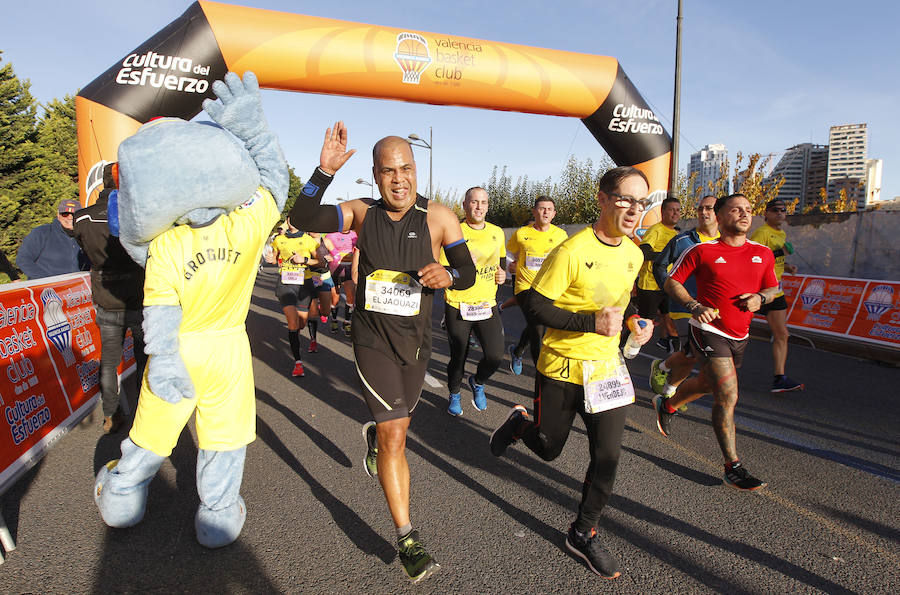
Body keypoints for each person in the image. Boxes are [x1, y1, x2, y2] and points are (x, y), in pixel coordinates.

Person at [289, 124, 475, 582]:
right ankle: (408, 537)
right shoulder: (360, 212)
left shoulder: (441, 218)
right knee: (397, 436)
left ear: (416, 171)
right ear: (375, 175)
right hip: (371, 340)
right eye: (388, 171)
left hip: (415, 344)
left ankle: (377, 434)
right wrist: (322, 172)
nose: (399, 179)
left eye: (406, 168)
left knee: (399, 423)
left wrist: (448, 276)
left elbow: (468, 272)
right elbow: (305, 217)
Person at [489, 167, 653, 579]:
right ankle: (520, 425)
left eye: (641, 202)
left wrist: (634, 321)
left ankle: (582, 532)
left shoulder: (634, 253)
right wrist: (589, 324)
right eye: (625, 200)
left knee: (608, 456)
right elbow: (533, 306)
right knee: (548, 448)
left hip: (605, 369)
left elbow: (621, 302)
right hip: (561, 367)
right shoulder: (572, 251)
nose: (634, 210)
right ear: (602, 199)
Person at [656, 193, 779, 491]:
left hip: (741, 334)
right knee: (728, 395)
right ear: (720, 217)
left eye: (748, 210)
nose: (744, 214)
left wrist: (760, 298)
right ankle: (732, 467)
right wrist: (695, 306)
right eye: (736, 209)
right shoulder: (703, 251)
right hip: (708, 328)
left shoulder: (763, 253)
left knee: (708, 384)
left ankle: (668, 405)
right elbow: (672, 280)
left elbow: (773, 287)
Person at [72, 163, 147, 433]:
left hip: (104, 296)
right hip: (137, 296)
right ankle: (143, 414)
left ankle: (110, 416)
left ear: (102, 183)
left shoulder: (82, 218)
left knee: (109, 361)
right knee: (144, 358)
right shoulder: (134, 214)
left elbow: (82, 245)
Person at [440, 186, 507, 416]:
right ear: (465, 204)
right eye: (474, 202)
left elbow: (501, 263)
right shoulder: (453, 231)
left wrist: (503, 274)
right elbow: (443, 268)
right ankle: (455, 394)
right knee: (459, 355)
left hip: (486, 304)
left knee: (496, 355)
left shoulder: (497, 232)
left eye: (484, 202)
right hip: (458, 304)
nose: (479, 207)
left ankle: (477, 381)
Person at [648, 195, 719, 400]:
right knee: (695, 352)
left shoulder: (725, 241)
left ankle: (663, 369)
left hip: (712, 308)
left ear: (719, 213)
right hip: (683, 305)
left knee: (690, 354)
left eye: (710, 209)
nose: (704, 213)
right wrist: (669, 287)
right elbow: (659, 265)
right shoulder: (683, 240)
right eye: (700, 209)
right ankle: (670, 396)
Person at [505, 197, 568, 374]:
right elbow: (509, 252)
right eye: (542, 208)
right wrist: (512, 265)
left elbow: (566, 259)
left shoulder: (560, 236)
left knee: (536, 324)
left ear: (554, 213)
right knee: (538, 328)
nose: (546, 212)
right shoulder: (522, 233)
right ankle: (541, 373)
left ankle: (517, 351)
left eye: (549, 209)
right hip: (525, 287)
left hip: (548, 288)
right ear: (534, 212)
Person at [750, 199, 804, 393]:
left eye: (783, 210)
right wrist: (780, 252)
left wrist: (787, 267)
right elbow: (752, 258)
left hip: (775, 291)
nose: (780, 213)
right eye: (775, 210)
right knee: (737, 334)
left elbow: (774, 262)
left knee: (782, 334)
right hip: (755, 290)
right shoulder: (761, 233)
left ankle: (779, 378)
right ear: (767, 214)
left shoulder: (782, 234)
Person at [264, 219, 321, 377]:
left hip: (305, 285)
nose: (292, 221)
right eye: (290, 218)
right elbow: (274, 258)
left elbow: (320, 261)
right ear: (287, 221)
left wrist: (304, 260)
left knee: (301, 323)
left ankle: (301, 338)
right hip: (285, 284)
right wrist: (272, 259)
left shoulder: (309, 240)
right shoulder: (279, 239)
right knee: (293, 322)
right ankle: (298, 363)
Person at [636, 195, 681, 352]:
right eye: (671, 210)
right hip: (650, 285)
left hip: (666, 283)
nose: (675, 213)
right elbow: (644, 252)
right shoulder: (656, 230)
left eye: (678, 210)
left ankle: (666, 340)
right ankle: (626, 346)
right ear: (663, 212)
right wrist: (667, 256)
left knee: (666, 314)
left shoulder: (676, 234)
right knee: (643, 322)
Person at [17, 198, 89, 279]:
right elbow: (23, 259)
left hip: (76, 288)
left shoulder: (86, 236)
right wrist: (45, 280)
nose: (70, 217)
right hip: (46, 288)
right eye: (65, 214)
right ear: (58, 215)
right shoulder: (42, 232)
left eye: (74, 214)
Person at [323, 229, 358, 336]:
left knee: (351, 296)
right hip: (334, 270)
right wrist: (326, 256)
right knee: (335, 298)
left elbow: (357, 250)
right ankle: (334, 320)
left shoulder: (354, 234)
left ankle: (347, 322)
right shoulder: (330, 235)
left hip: (348, 270)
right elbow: (323, 250)